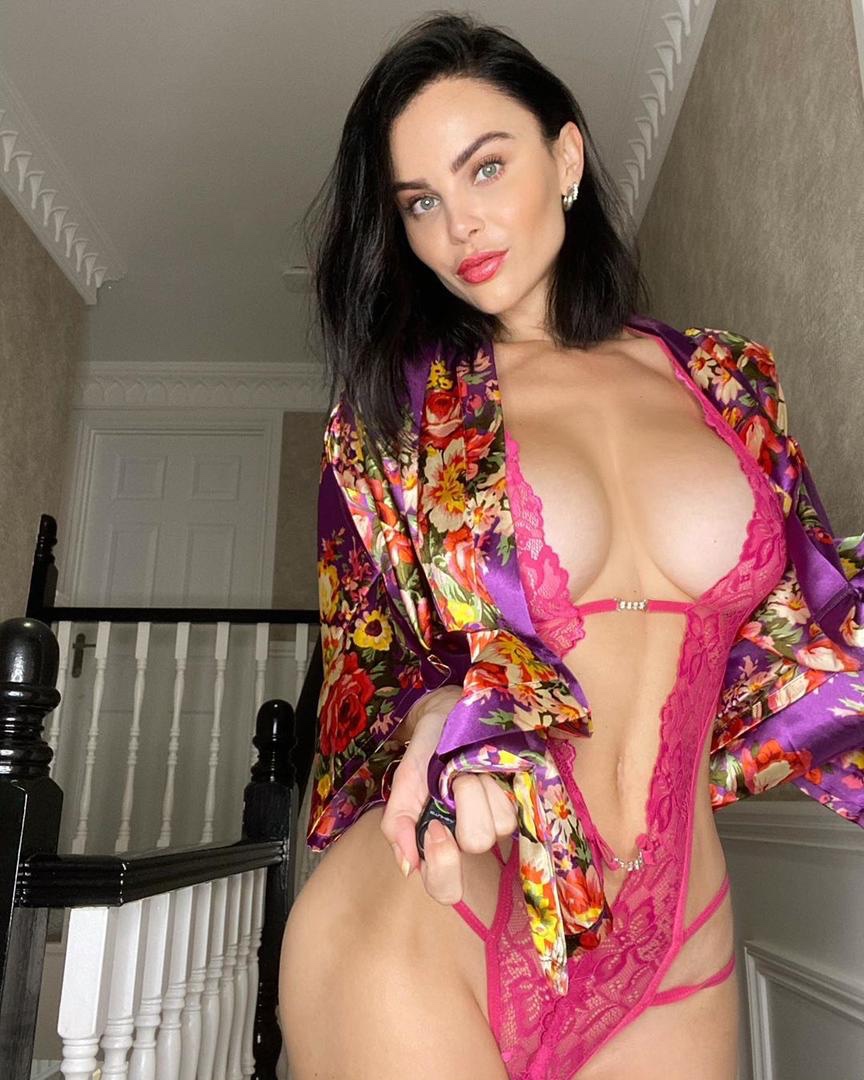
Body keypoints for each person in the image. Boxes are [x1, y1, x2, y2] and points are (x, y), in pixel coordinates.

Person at [279, 13, 864, 1079]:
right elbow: (367, 675)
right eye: (420, 202)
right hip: (445, 909)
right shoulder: (396, 420)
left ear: (566, 158)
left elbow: (815, 619)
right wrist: (437, 718)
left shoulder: (730, 384)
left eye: (485, 167)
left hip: (680, 939)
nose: (459, 224)